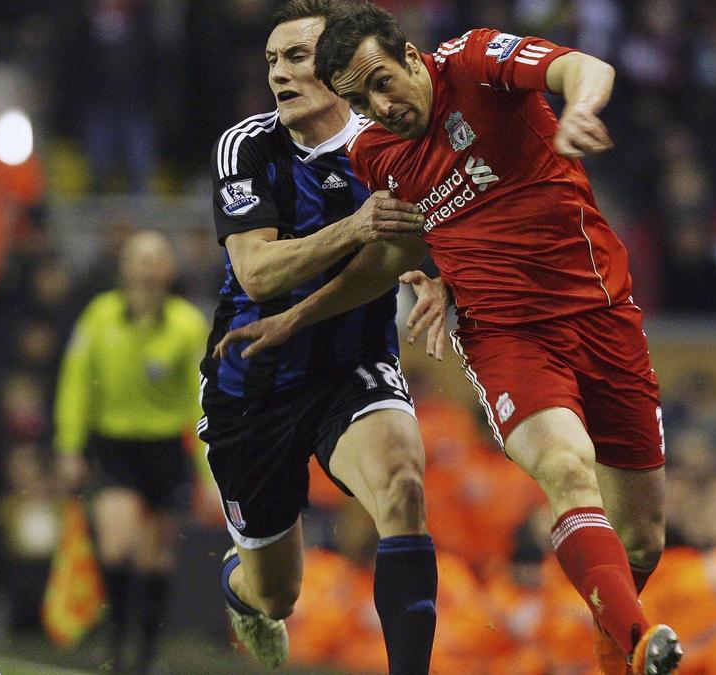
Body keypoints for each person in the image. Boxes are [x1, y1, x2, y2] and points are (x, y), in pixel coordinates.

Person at [218, 3, 683, 672]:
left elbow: (585, 65)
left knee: (640, 539)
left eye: (382, 81)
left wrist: (579, 109)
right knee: (566, 471)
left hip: (603, 317)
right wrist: (298, 316)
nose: (380, 106)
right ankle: (642, 646)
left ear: (412, 57)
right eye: (359, 99)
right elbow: (389, 256)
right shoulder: (376, 154)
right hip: (508, 339)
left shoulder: (475, 62)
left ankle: (624, 649)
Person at [200, 1, 450, 672]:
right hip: (253, 382)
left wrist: (433, 271)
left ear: (340, 71)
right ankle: (242, 591)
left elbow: (427, 235)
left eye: (297, 57)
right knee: (278, 593)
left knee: (402, 489)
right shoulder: (247, 146)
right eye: (272, 61)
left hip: (354, 363)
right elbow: (256, 272)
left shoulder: (392, 141)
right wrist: (360, 226)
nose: (279, 73)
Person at [53, 231, 209, 673]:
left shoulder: (187, 325)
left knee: (155, 558)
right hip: (116, 447)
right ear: (125, 267)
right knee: (116, 547)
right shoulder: (99, 317)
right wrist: (69, 447)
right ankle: (116, 643)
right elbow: (76, 384)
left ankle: (146, 653)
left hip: (164, 450)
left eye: (157, 257)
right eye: (139, 258)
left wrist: (208, 470)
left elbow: (197, 401)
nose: (148, 266)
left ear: (169, 269)